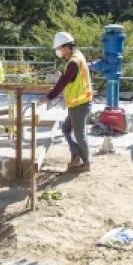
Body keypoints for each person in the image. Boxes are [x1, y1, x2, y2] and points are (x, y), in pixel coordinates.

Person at [43, 31, 93, 172]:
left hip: (79, 104)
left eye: (59, 48)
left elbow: (63, 82)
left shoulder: (73, 63)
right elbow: (69, 79)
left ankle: (86, 162)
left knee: (79, 134)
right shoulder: (77, 56)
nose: (59, 52)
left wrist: (49, 96)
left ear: (66, 47)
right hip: (79, 102)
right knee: (66, 129)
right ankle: (76, 156)